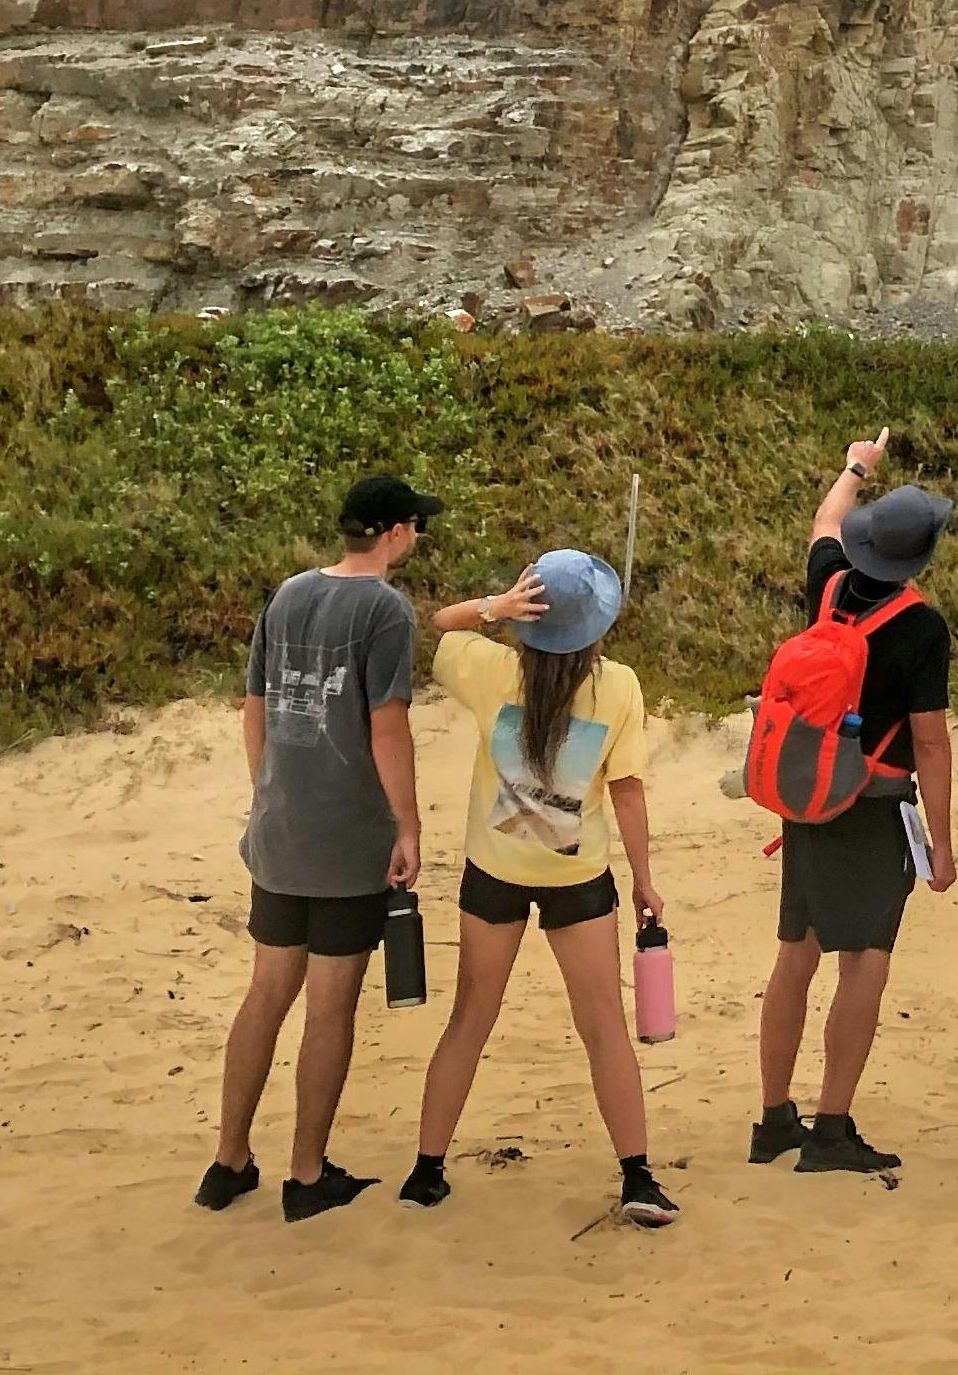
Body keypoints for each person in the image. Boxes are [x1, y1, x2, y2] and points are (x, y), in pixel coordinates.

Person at [404, 546, 677, 1229]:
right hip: (576, 876)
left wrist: (496, 605)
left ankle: (426, 1171)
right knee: (604, 1028)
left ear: (530, 614)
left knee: (470, 1018)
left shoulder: (491, 667)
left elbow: (443, 624)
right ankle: (638, 1175)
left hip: (494, 872)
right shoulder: (618, 687)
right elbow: (629, 793)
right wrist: (644, 880)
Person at [201, 471, 433, 1222]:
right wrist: (407, 822)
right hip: (344, 835)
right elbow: (386, 723)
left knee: (268, 990)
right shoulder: (386, 609)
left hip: (281, 826)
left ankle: (228, 1160)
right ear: (394, 532)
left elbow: (255, 706)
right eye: (415, 526)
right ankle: (305, 1174)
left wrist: (269, 789)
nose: (418, 537)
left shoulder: (289, 592)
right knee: (330, 1003)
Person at [751, 431, 957, 1176]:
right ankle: (832, 1128)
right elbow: (930, 745)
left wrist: (857, 465)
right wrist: (941, 843)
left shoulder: (829, 582)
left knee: (795, 956)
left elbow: (825, 519)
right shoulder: (921, 627)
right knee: (865, 961)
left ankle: (774, 1117)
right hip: (873, 809)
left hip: (807, 795)